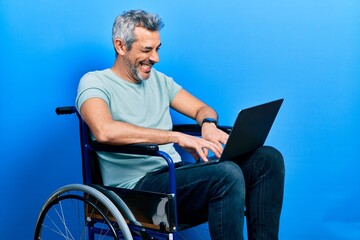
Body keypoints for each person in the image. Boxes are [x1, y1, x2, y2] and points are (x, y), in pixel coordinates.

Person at [76, 9, 285, 240]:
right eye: (147, 50)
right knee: (226, 173)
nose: (155, 58)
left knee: (268, 159)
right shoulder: (95, 82)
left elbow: (202, 109)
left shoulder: (159, 81)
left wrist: (207, 125)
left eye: (157, 49)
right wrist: (175, 137)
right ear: (120, 46)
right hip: (136, 188)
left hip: (174, 176)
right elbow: (104, 131)